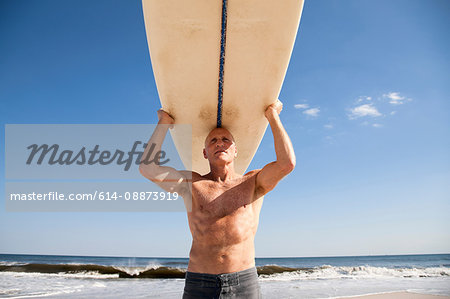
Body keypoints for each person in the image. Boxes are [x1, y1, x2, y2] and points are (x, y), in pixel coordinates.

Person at [139, 99, 295, 298]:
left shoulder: (254, 182)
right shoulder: (191, 183)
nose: (219, 143)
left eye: (225, 140)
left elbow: (286, 163)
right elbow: (147, 168)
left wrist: (272, 115)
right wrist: (164, 123)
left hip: (244, 282)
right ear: (205, 153)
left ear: (235, 150)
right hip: (199, 282)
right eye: (212, 141)